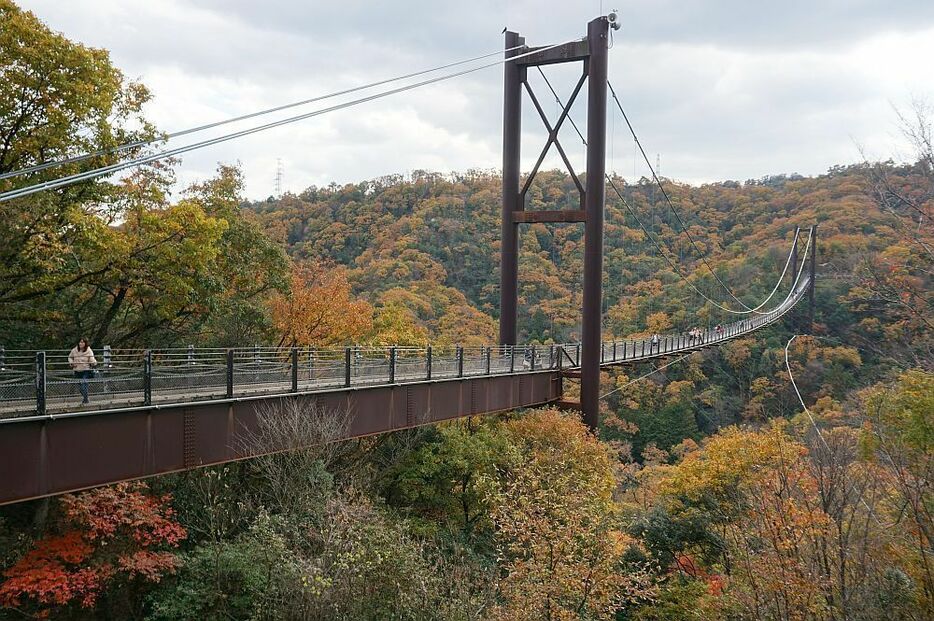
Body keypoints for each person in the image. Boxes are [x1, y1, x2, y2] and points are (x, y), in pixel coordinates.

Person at [68, 337, 97, 404]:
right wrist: (72, 363)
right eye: (80, 342)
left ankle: (86, 399)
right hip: (77, 370)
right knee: (80, 387)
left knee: (84, 384)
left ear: (85, 343)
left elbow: (92, 360)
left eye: (83, 342)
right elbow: (70, 357)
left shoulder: (89, 350)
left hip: (85, 370)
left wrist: (94, 362)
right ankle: (86, 398)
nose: (81, 343)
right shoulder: (74, 350)